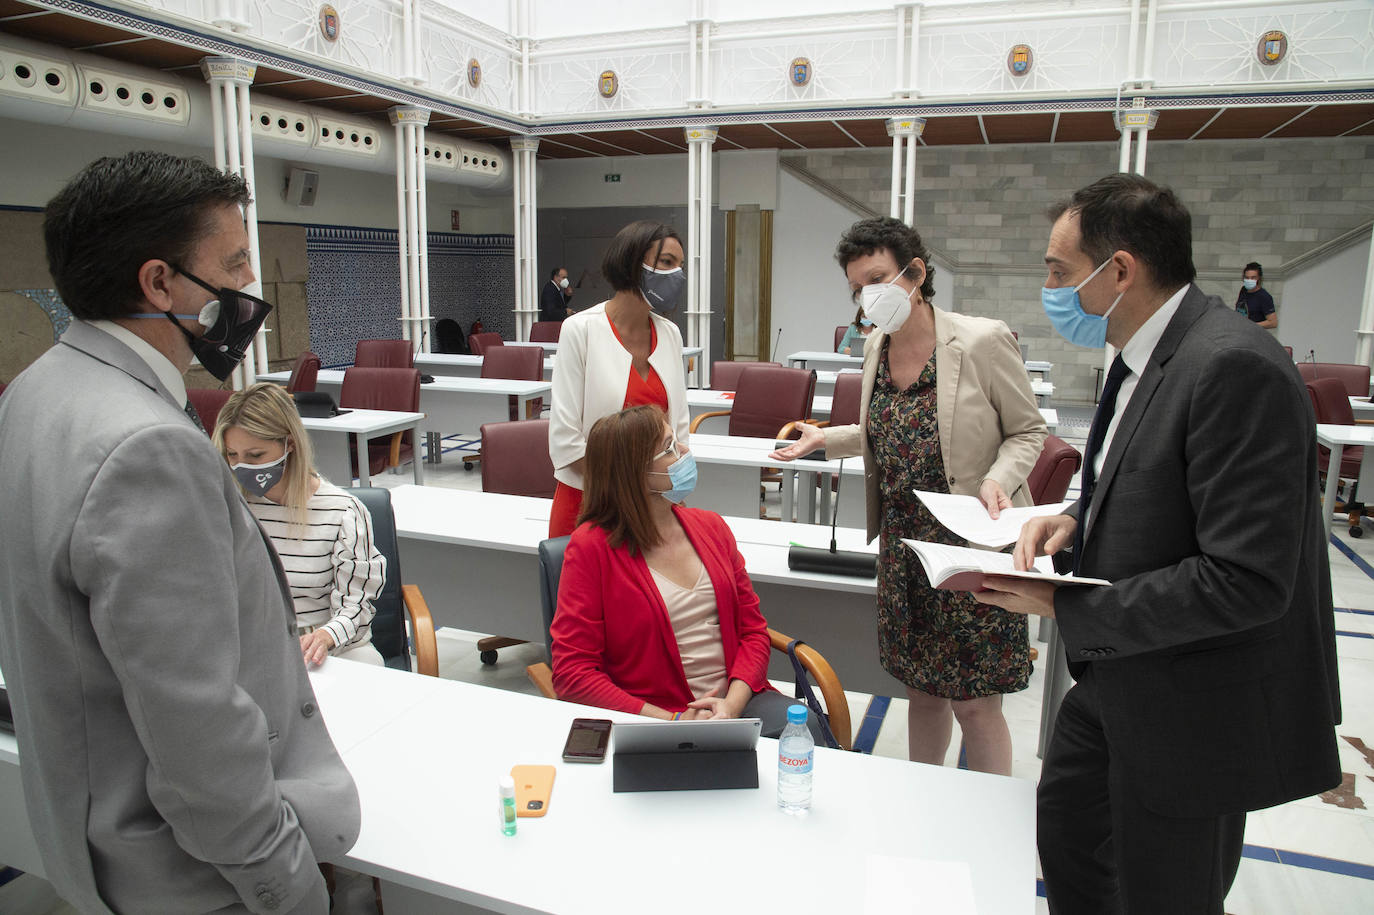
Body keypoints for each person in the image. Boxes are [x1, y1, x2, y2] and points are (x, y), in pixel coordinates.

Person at [0, 151, 360, 914]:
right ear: (160, 283)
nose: (245, 292)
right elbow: (193, 724)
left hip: (88, 832)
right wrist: (285, 881)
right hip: (186, 873)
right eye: (231, 267)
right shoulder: (147, 446)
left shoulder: (34, 392)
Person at [977, 174, 1340, 914]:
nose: (1047, 286)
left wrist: (1062, 602)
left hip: (1195, 702)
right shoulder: (1148, 354)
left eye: (1057, 270)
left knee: (1167, 889)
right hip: (1122, 676)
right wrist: (1075, 518)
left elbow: (1246, 578)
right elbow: (1151, 475)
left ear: (1119, 271)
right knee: (1073, 835)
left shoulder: (1231, 365)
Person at [771, 216, 1046, 775]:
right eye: (856, 288)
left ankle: (988, 817)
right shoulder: (876, 346)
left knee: (975, 702)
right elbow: (882, 430)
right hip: (903, 552)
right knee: (921, 692)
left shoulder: (981, 340)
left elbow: (1029, 431)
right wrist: (827, 438)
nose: (867, 296)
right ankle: (926, 797)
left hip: (970, 550)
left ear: (915, 273)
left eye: (877, 278)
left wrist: (998, 476)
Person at [552, 405, 824, 740]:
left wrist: (731, 707)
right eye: (668, 449)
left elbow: (752, 631)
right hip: (651, 716)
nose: (685, 453)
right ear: (633, 474)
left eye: (676, 441)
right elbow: (573, 673)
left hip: (737, 704)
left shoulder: (710, 527)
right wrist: (673, 723)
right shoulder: (591, 547)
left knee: (805, 732)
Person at [213, 382, 386, 668]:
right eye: (232, 455)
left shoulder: (341, 511)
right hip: (254, 644)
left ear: (289, 444)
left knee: (368, 665)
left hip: (323, 648)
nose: (242, 466)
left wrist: (326, 636)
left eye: (255, 455)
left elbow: (356, 605)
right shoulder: (229, 504)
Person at [548, 221, 691, 537]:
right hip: (590, 503)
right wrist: (631, 490)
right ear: (632, 262)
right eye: (667, 262)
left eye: (680, 266)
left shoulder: (670, 334)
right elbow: (566, 442)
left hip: (655, 506)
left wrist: (669, 487)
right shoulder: (581, 330)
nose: (677, 275)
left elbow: (679, 428)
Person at [1235, 260, 1277, 329]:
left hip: (1254, 335)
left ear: (1259, 278)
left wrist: (1251, 326)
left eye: (1253, 277)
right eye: (1247, 277)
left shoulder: (1264, 296)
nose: (1249, 280)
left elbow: (1273, 323)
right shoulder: (1244, 290)